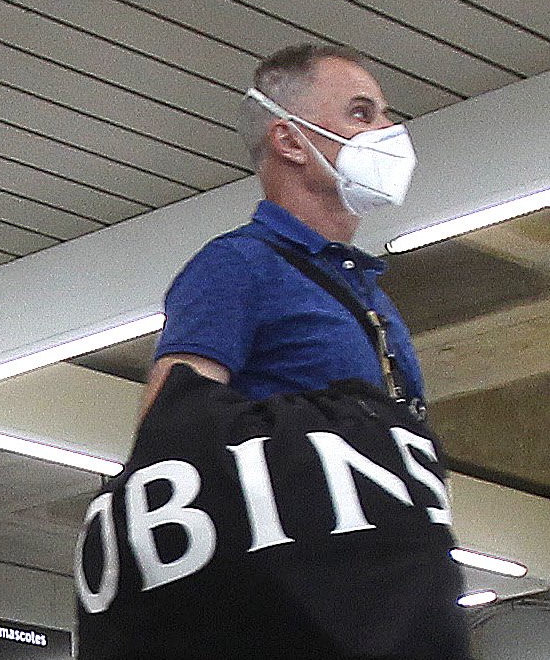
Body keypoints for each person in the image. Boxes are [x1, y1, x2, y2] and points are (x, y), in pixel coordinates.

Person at [142, 42, 425, 417]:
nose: (389, 131)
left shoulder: (365, 291)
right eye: (361, 114)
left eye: (385, 115)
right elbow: (173, 429)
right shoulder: (236, 267)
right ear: (291, 142)